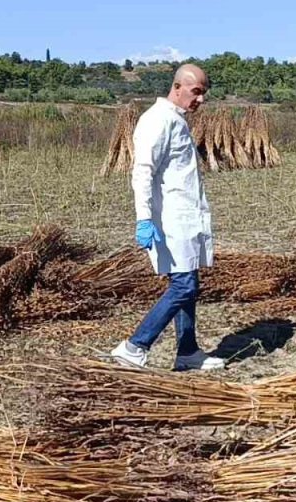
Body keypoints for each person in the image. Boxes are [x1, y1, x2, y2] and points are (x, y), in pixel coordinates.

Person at [109, 64, 224, 371]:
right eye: (195, 92)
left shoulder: (177, 120)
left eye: (203, 94)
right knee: (183, 286)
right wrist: (143, 218)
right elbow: (142, 171)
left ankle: (187, 352)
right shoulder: (157, 120)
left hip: (185, 218)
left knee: (189, 283)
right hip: (170, 221)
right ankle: (135, 346)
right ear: (177, 87)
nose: (200, 99)